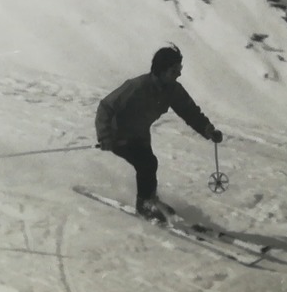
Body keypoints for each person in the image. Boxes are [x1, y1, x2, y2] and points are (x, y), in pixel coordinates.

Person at [94, 44, 222, 222]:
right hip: (119, 136)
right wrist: (105, 136)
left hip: (140, 136)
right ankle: (145, 204)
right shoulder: (136, 86)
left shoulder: (173, 90)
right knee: (146, 163)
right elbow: (106, 106)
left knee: (150, 164)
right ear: (161, 70)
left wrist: (208, 130)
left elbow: (190, 111)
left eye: (179, 69)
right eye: (174, 70)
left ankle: (150, 199)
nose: (178, 74)